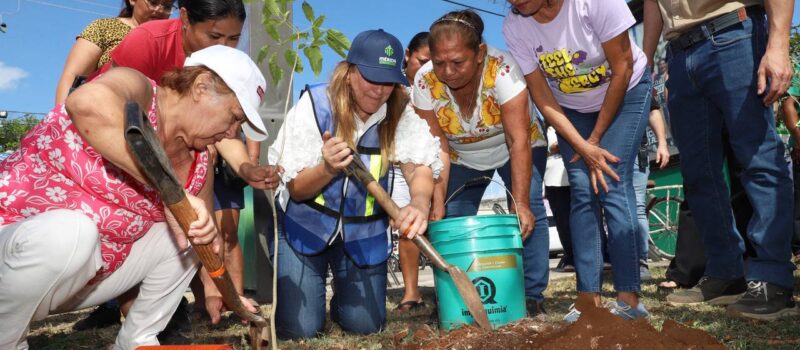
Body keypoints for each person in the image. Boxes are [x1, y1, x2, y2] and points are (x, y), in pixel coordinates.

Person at [0, 45, 264, 350]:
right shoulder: (137, 89)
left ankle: (136, 341)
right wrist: (170, 192)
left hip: (83, 276)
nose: (231, 133)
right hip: (15, 247)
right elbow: (84, 103)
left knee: (192, 231)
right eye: (233, 117)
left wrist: (221, 291)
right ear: (201, 86)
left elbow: (204, 242)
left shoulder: (201, 159)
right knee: (71, 233)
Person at [96, 0, 278, 330]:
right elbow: (106, 109)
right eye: (215, 35)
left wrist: (245, 167)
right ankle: (131, 311)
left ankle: (167, 314)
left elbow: (217, 133)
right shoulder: (148, 44)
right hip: (122, 148)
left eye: (234, 39)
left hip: (179, 150)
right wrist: (170, 190)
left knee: (195, 225)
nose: (225, 47)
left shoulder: (215, 95)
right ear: (184, 20)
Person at [269, 29, 441, 339]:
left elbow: (420, 167)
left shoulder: (400, 109)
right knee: (299, 330)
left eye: (388, 82)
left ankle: (343, 303)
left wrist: (418, 202)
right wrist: (327, 168)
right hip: (306, 226)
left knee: (366, 326)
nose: (379, 92)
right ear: (350, 73)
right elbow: (297, 189)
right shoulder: (316, 105)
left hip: (363, 233)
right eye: (371, 79)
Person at [643, 0, 799, 320]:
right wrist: (644, 63)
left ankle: (773, 279)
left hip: (733, 33)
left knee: (759, 159)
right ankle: (725, 273)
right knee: (698, 173)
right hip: (680, 51)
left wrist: (779, 44)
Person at [504, 0, 652, 321]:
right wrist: (583, 147)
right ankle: (588, 298)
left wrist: (595, 141)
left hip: (627, 90)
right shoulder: (515, 26)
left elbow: (623, 65)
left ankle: (629, 298)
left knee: (611, 180)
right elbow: (542, 98)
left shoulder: (593, 3)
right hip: (571, 109)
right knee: (583, 191)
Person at [412, 10, 550, 317]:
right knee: (450, 221)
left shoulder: (503, 70)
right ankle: (457, 294)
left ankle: (531, 294)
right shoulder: (424, 82)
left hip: (516, 145)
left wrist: (522, 202)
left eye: (458, 62)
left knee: (526, 215)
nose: (447, 71)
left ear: (480, 54)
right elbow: (439, 147)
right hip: (461, 155)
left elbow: (518, 141)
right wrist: (437, 203)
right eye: (439, 62)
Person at [54, 0, 175, 104]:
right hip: (94, 115)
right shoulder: (103, 27)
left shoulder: (171, 43)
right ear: (133, 0)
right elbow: (72, 76)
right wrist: (62, 122)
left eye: (167, 6)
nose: (160, 9)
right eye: (153, 2)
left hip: (147, 125)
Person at [393, 31, 431, 313]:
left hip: (425, 162)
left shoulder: (435, 85)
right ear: (407, 55)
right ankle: (409, 292)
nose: (427, 69)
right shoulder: (390, 86)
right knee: (403, 228)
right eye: (422, 61)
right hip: (394, 162)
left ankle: (421, 291)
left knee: (422, 225)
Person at [633, 95, 671, 281]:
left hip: (634, 152)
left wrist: (662, 144)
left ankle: (640, 263)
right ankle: (620, 261)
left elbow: (653, 109)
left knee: (637, 207)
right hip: (602, 150)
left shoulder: (638, 75)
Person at [544, 126, 574, 273]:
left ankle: (602, 254)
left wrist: (559, 146)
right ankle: (571, 257)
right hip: (551, 180)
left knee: (585, 219)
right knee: (562, 222)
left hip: (575, 176)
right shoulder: (543, 128)